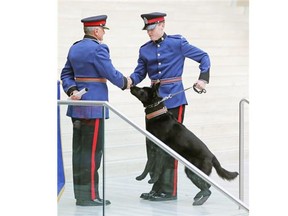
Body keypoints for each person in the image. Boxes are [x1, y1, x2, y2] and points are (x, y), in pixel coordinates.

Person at [129, 12, 211, 201]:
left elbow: (204, 57)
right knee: (152, 144)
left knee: (170, 146)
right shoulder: (145, 50)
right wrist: (130, 80)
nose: (149, 33)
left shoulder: (177, 43)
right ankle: (156, 187)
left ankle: (168, 190)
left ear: (162, 25)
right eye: (147, 30)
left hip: (174, 100)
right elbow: (140, 72)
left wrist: (203, 79)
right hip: (153, 103)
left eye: (152, 29)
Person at [60, 15, 132, 206]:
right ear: (97, 31)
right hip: (95, 107)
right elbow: (109, 72)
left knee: (79, 153)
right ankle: (90, 196)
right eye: (103, 30)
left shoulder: (74, 47)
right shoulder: (99, 48)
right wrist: (126, 82)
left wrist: (72, 89)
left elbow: (65, 74)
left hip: (77, 107)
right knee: (93, 153)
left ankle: (81, 195)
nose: (103, 34)